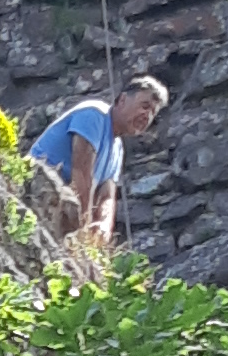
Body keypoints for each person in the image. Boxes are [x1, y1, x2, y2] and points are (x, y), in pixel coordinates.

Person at [28, 74, 170, 248]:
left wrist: (103, 228)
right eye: (144, 106)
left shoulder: (118, 148)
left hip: (59, 201)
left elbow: (107, 196)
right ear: (123, 100)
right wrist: (84, 229)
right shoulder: (94, 115)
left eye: (153, 112)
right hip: (37, 184)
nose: (147, 116)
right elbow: (81, 174)